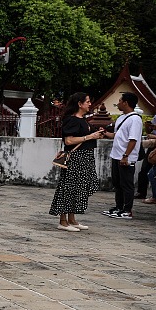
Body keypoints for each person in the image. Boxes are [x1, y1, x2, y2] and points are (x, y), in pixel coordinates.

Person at [49, 92, 105, 231]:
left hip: (85, 157)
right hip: (76, 158)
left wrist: (95, 135)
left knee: (79, 188)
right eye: (87, 101)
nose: (90, 104)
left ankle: (72, 219)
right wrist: (89, 137)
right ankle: (63, 221)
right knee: (68, 187)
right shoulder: (72, 119)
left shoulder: (83, 120)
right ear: (79, 104)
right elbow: (69, 140)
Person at [101, 92, 142, 219]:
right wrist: (105, 133)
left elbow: (133, 140)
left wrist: (126, 156)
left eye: (120, 101)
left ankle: (127, 210)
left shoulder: (135, 119)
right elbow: (117, 135)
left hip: (126, 157)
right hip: (116, 155)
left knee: (126, 184)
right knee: (117, 183)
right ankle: (119, 207)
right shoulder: (121, 118)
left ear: (126, 103)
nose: (118, 103)